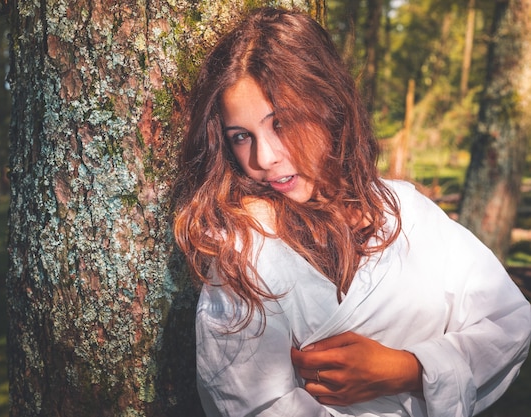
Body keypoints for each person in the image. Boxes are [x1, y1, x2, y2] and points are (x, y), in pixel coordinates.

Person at [172, 7, 531, 417]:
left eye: (282, 122)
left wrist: (408, 369)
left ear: (328, 104)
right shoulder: (246, 251)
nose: (265, 157)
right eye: (242, 136)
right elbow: (250, 404)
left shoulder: (405, 212)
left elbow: (509, 322)